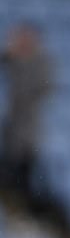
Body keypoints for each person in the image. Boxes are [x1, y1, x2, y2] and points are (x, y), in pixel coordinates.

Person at [0, 21, 55, 210]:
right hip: (12, 133)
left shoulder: (41, 63)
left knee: (22, 178)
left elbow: (36, 91)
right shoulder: (11, 60)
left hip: (26, 136)